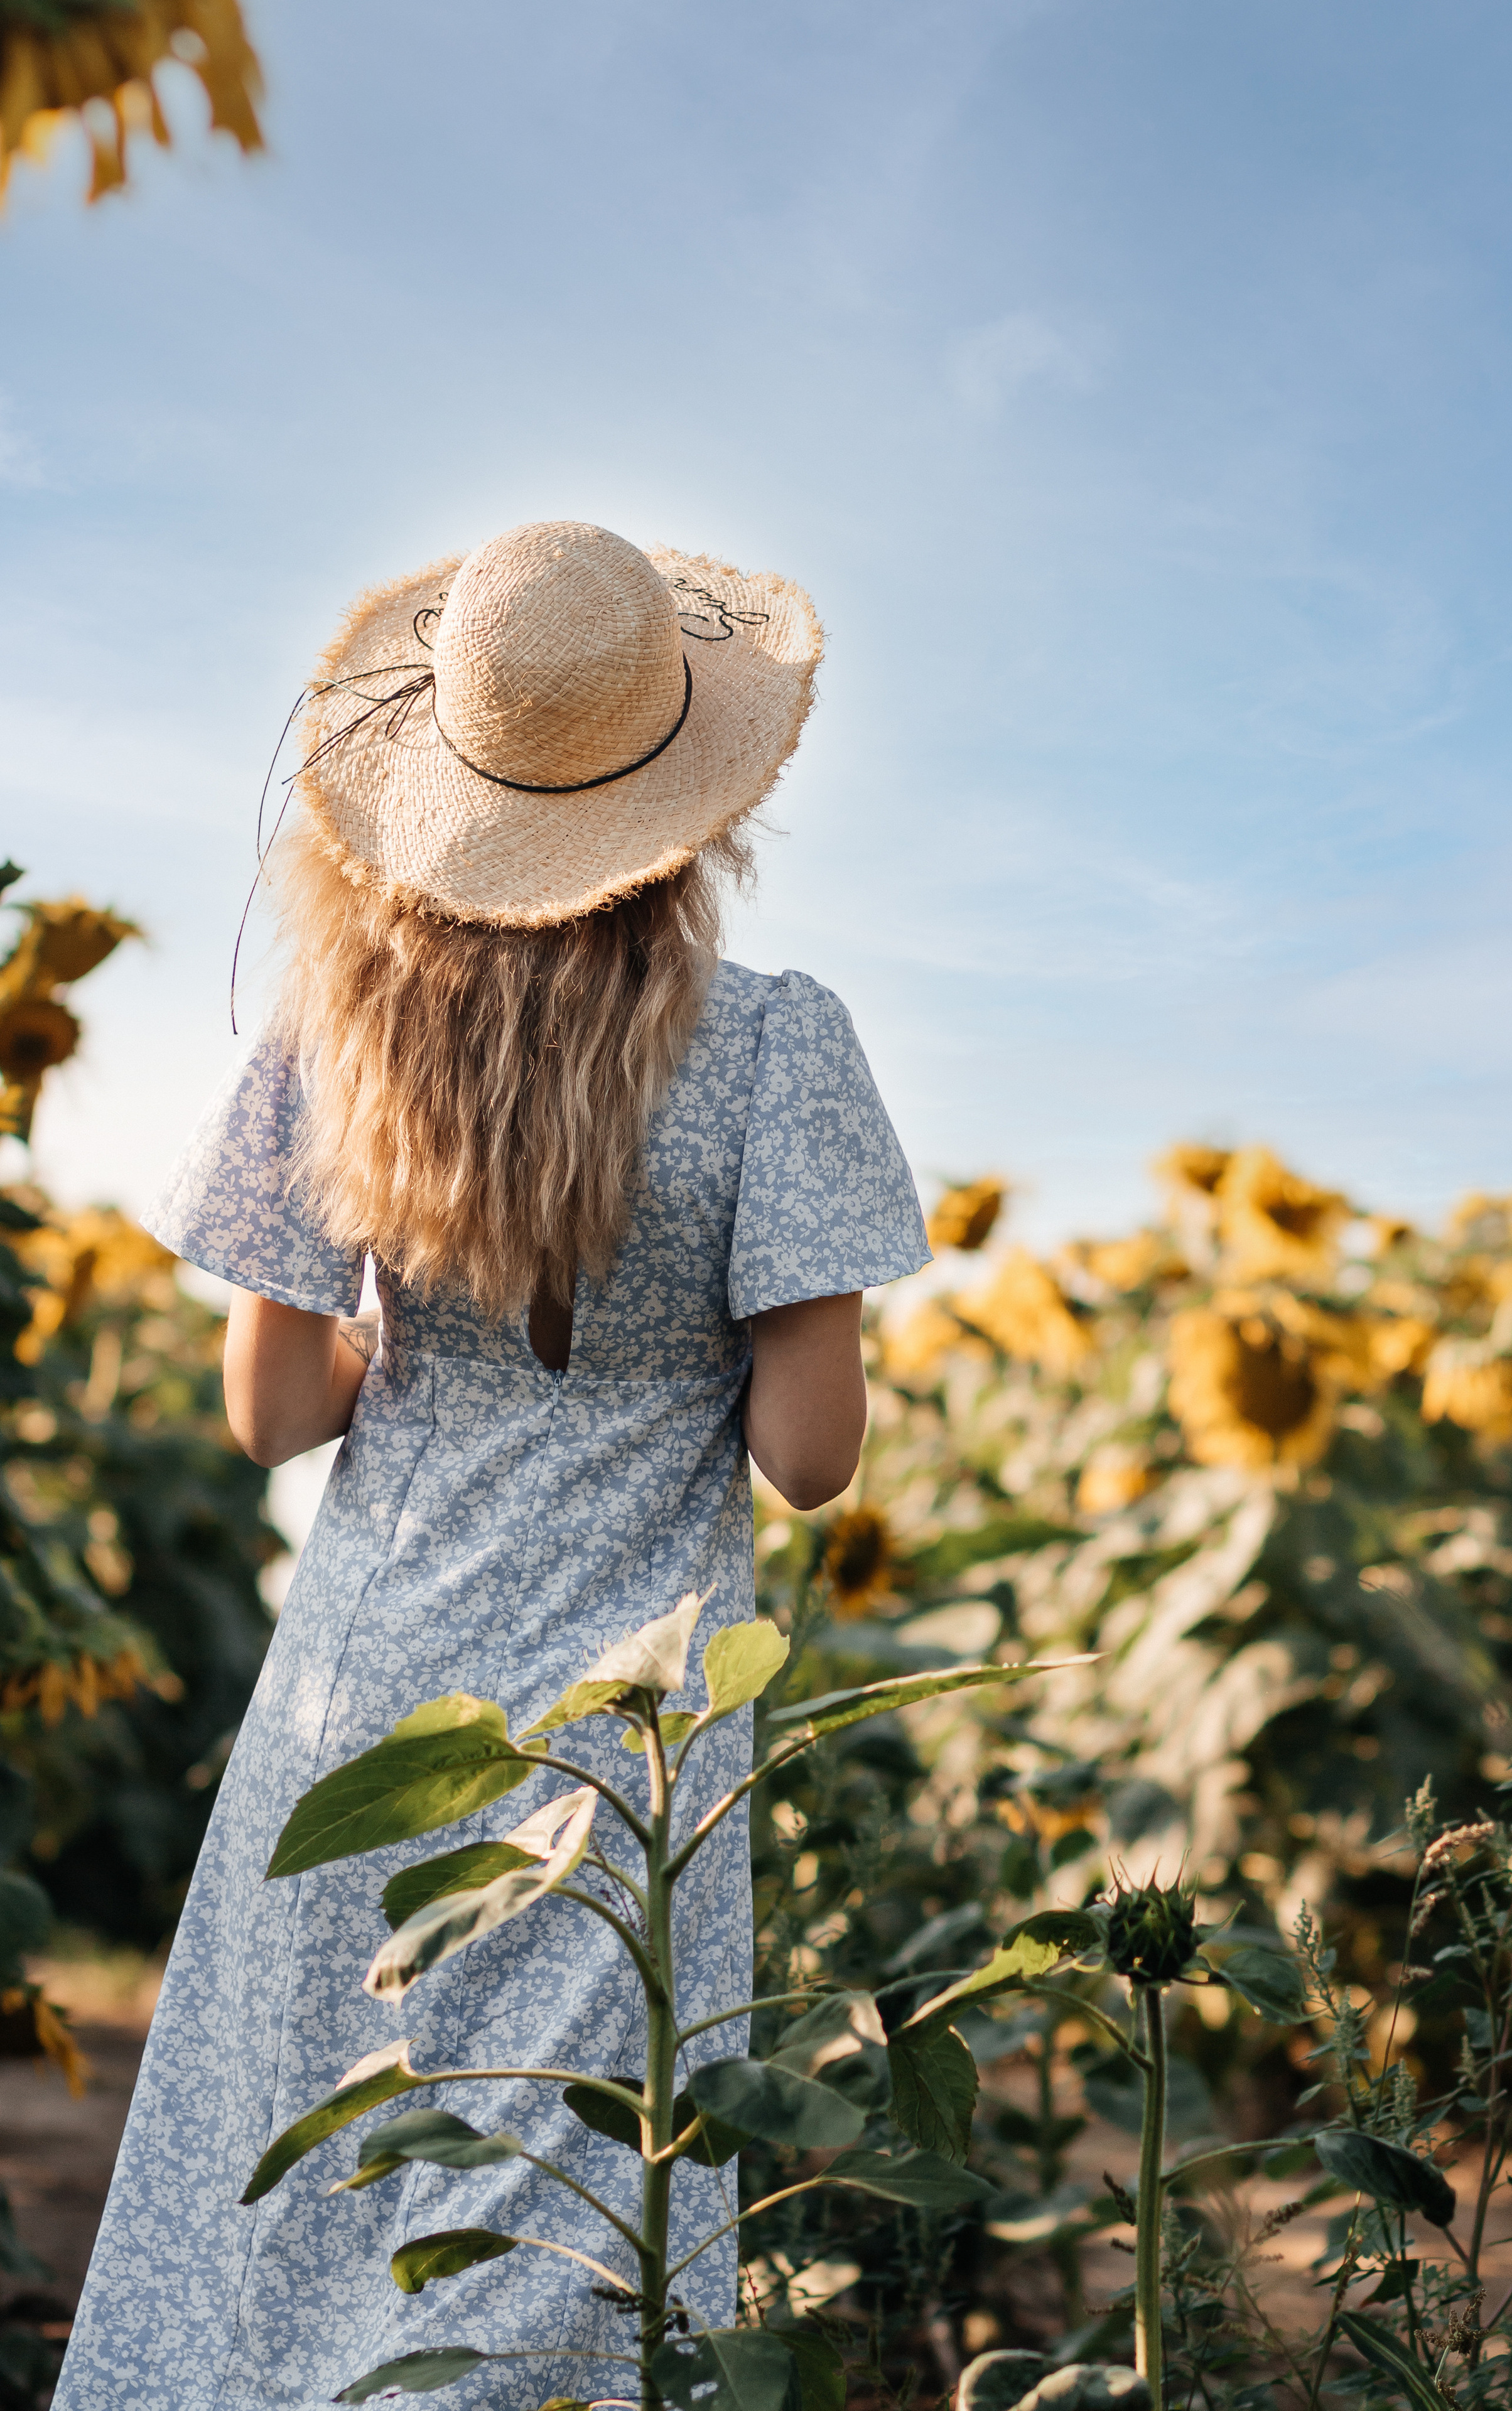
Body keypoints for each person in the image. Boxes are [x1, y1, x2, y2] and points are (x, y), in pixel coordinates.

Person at [53, 521, 931, 2410]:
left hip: (369, 1692)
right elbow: (811, 1458)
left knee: (304, 2172)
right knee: (560, 2205)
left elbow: (275, 1416)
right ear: (692, 789)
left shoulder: (335, 1035)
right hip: (625, 1732)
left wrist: (415, 1342)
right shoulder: (781, 1047)